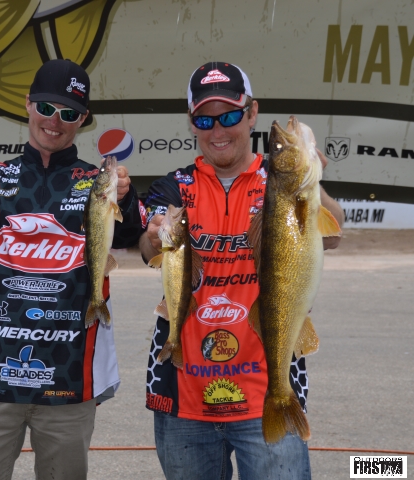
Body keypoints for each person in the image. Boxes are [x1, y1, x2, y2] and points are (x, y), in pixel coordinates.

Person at [139, 62, 344, 480]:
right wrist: (155, 236)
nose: (218, 129)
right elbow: (147, 246)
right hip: (183, 392)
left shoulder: (278, 180)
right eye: (205, 119)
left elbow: (334, 233)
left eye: (230, 116)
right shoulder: (173, 186)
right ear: (192, 123)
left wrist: (311, 181)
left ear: (252, 114)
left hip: (268, 387)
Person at [0, 59, 143, 480]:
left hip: (68, 379)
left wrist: (125, 198)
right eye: (47, 108)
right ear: (28, 104)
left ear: (83, 119)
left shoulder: (97, 183)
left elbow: (134, 234)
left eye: (69, 113)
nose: (55, 121)